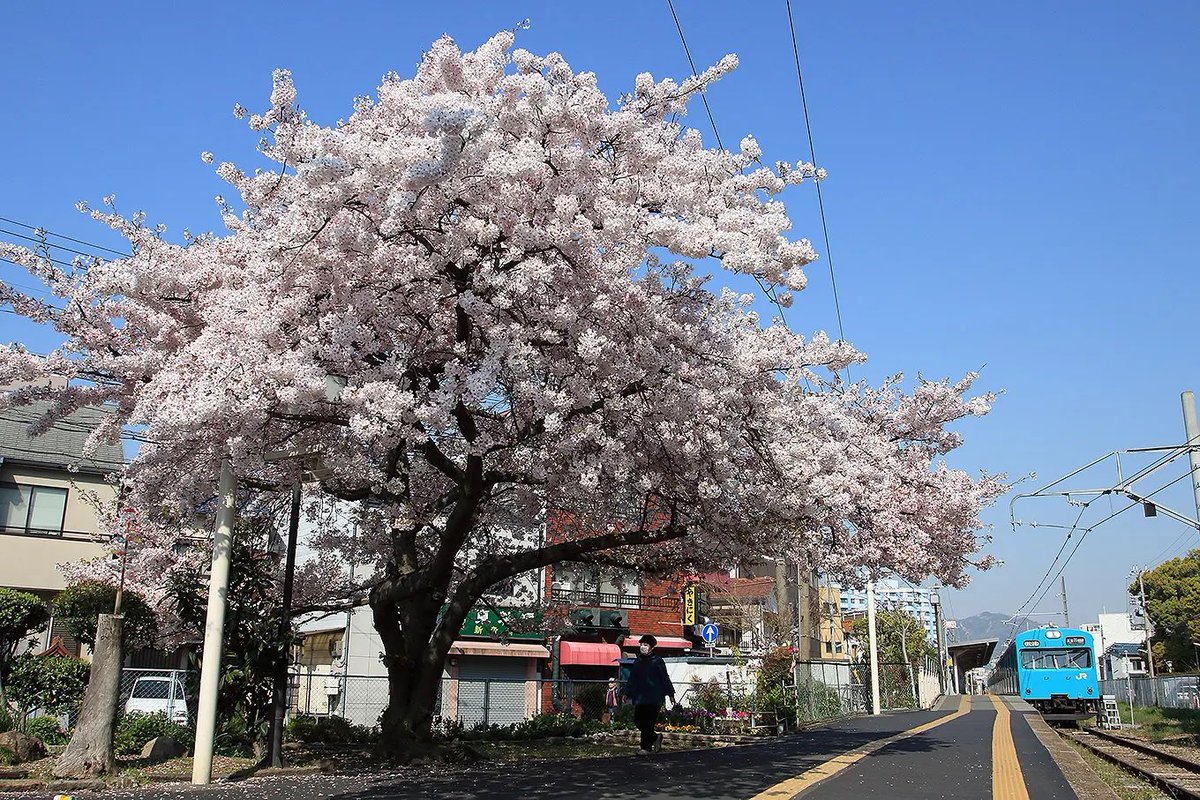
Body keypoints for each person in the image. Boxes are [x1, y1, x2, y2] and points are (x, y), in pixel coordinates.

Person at [624, 634, 675, 754]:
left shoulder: (657, 661)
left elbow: (664, 678)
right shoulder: (638, 661)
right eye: (641, 644)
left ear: (652, 647)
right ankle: (655, 738)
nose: (643, 647)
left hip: (654, 698)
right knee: (638, 721)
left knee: (648, 723)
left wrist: (670, 693)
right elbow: (632, 678)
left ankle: (645, 748)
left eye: (646, 645)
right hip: (640, 697)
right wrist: (626, 692)